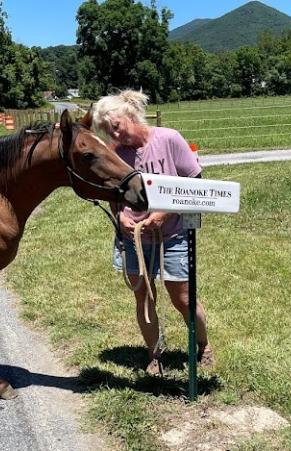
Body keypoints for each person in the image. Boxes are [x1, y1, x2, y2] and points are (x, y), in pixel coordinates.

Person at [92, 89, 214, 376]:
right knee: (144, 298)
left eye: (116, 126)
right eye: (108, 131)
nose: (115, 135)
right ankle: (154, 354)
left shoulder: (168, 139)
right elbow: (113, 195)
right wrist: (120, 216)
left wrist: (162, 213)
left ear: (130, 115)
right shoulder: (115, 154)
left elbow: (194, 182)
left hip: (172, 235)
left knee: (182, 297)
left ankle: (203, 346)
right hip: (133, 239)